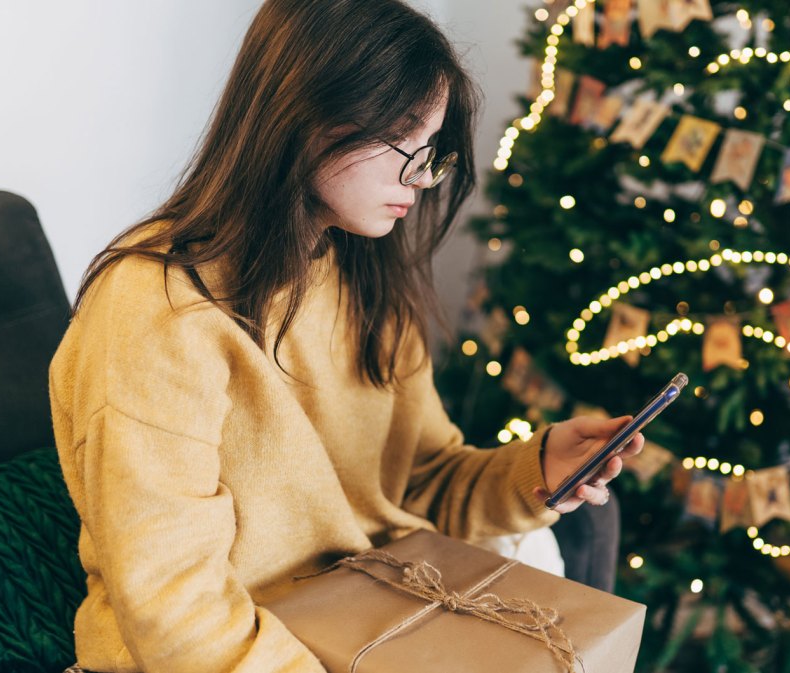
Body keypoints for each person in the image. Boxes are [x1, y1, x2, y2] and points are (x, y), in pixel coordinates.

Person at [47, 1, 644, 671]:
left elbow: (421, 483)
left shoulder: (362, 277)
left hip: (369, 625)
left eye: (433, 153)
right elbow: (175, 606)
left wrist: (534, 470)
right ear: (307, 120)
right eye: (406, 146)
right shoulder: (158, 305)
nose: (419, 180)